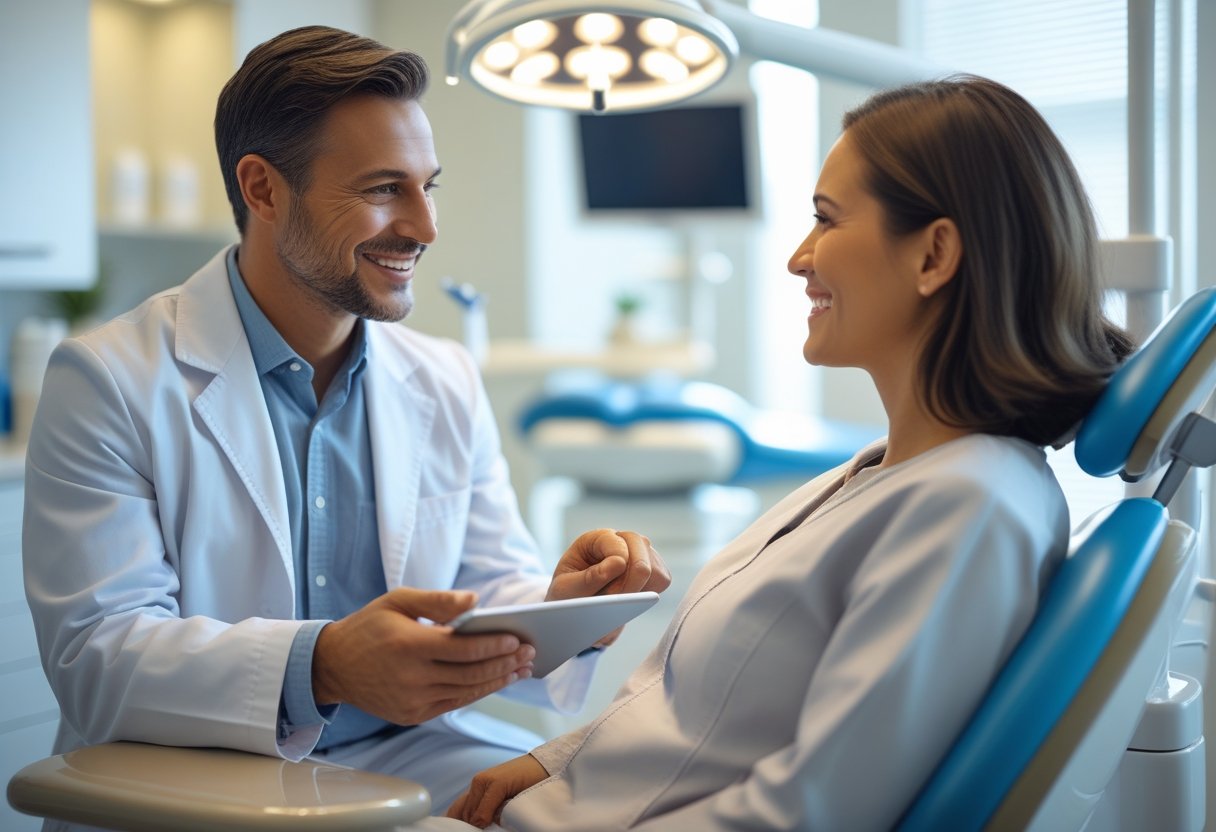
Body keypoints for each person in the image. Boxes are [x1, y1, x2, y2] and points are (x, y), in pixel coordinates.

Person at [445, 75, 1135, 830]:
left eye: (826, 220)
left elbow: (808, 813)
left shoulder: (968, 505)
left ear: (933, 255)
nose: (798, 259)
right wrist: (556, 762)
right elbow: (705, 721)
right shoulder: (892, 470)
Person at [21, 25, 670, 816]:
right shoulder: (109, 378)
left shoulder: (444, 378)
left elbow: (482, 588)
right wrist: (322, 665)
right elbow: (98, 659)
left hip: (408, 751)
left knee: (625, 801)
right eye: (382, 189)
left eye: (428, 186)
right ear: (262, 189)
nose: (425, 227)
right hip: (192, 768)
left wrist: (563, 607)